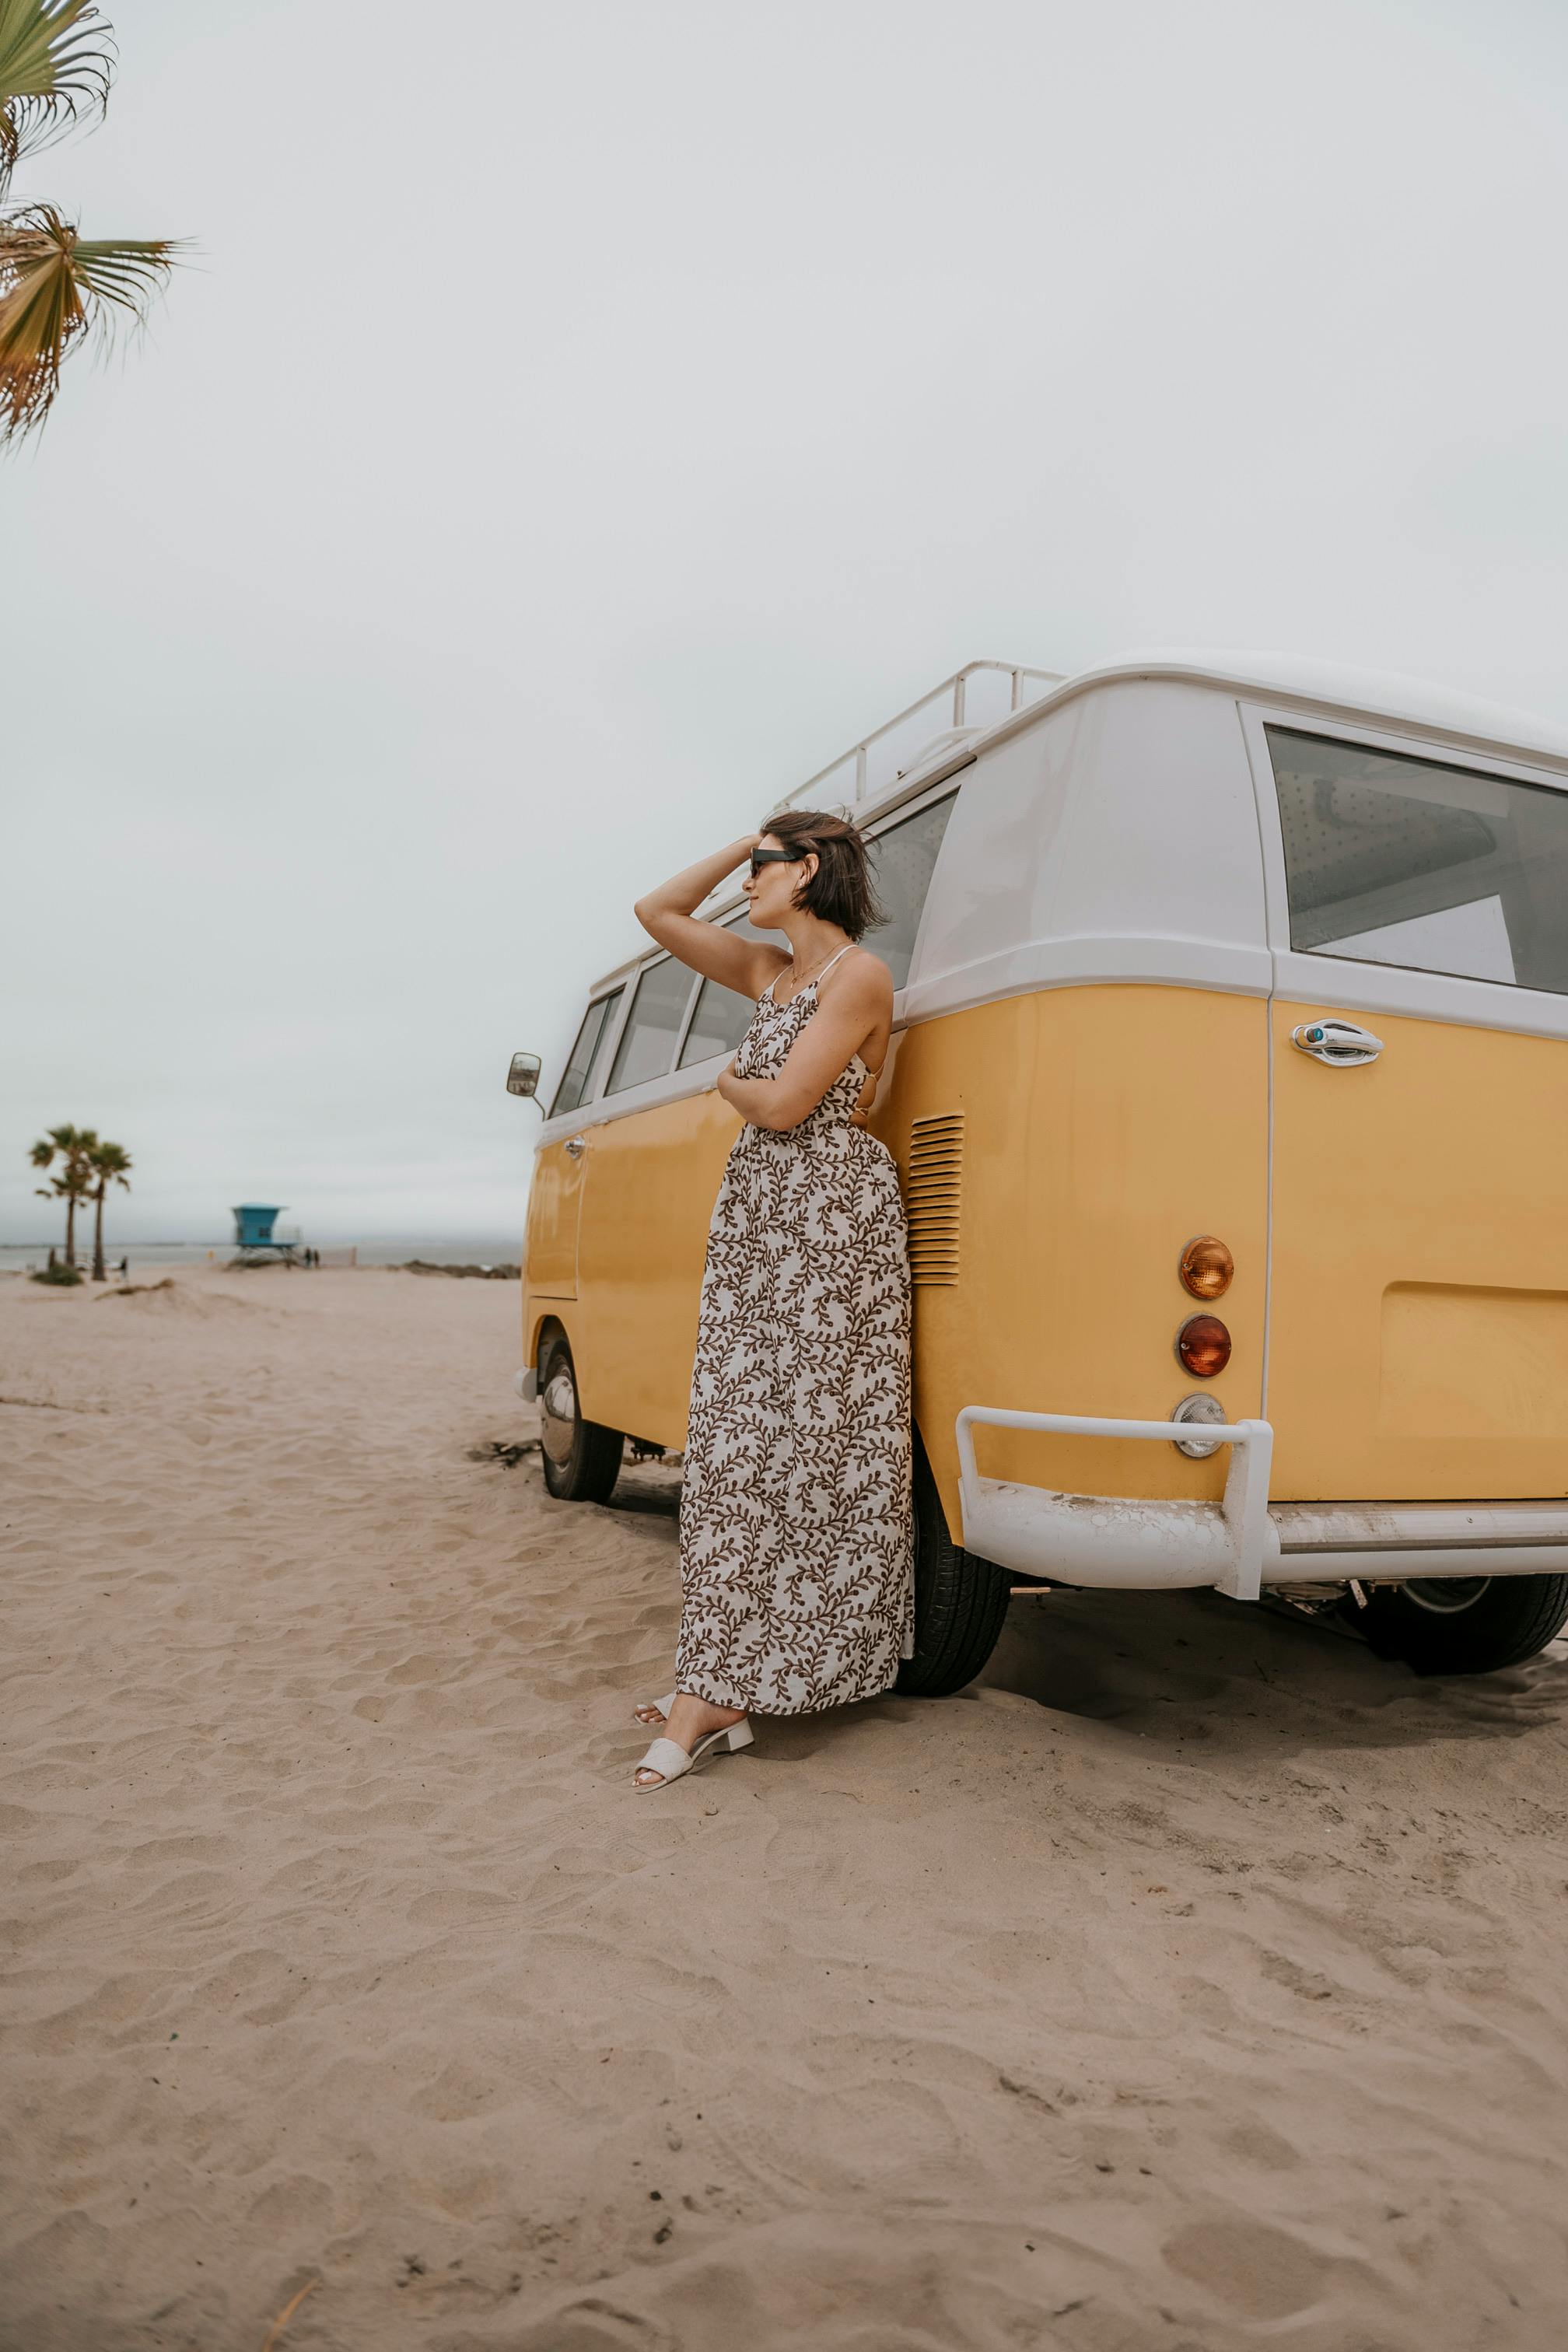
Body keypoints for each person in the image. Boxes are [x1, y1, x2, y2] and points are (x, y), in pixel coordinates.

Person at [628, 810, 913, 1791]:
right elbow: (655, 911)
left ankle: (724, 1688)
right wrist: (744, 838)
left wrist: (730, 1081)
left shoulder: (857, 976)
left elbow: (788, 1104)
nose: (747, 882)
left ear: (812, 872)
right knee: (732, 1449)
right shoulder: (768, 973)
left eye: (762, 868)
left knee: (783, 1453)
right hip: (766, 1219)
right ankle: (717, 1678)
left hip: (827, 1224)